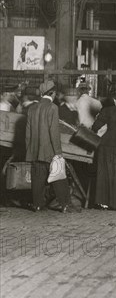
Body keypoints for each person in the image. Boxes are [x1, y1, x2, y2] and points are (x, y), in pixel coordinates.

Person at [25, 80, 74, 212]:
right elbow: (54, 132)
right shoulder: (53, 108)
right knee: (58, 176)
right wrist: (58, 153)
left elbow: (28, 133)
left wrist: (30, 150)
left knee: (38, 178)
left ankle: (38, 205)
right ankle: (65, 205)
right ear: (52, 93)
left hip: (35, 151)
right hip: (49, 150)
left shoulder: (32, 108)